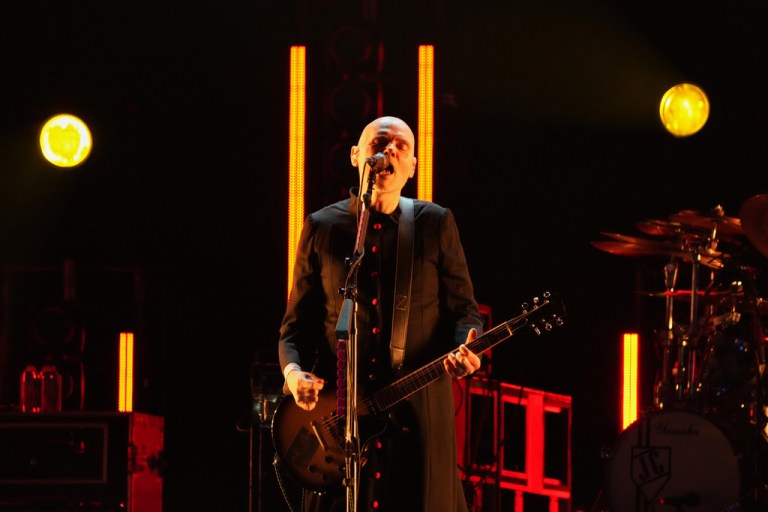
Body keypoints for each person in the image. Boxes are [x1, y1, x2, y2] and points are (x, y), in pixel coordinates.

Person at [276, 115, 484, 512]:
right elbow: (293, 330)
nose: (387, 151)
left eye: (400, 146)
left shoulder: (435, 223)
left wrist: (466, 346)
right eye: (378, 142)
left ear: (412, 166)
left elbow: (465, 314)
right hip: (341, 420)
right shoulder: (322, 226)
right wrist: (294, 373)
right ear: (356, 155)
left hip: (418, 415)